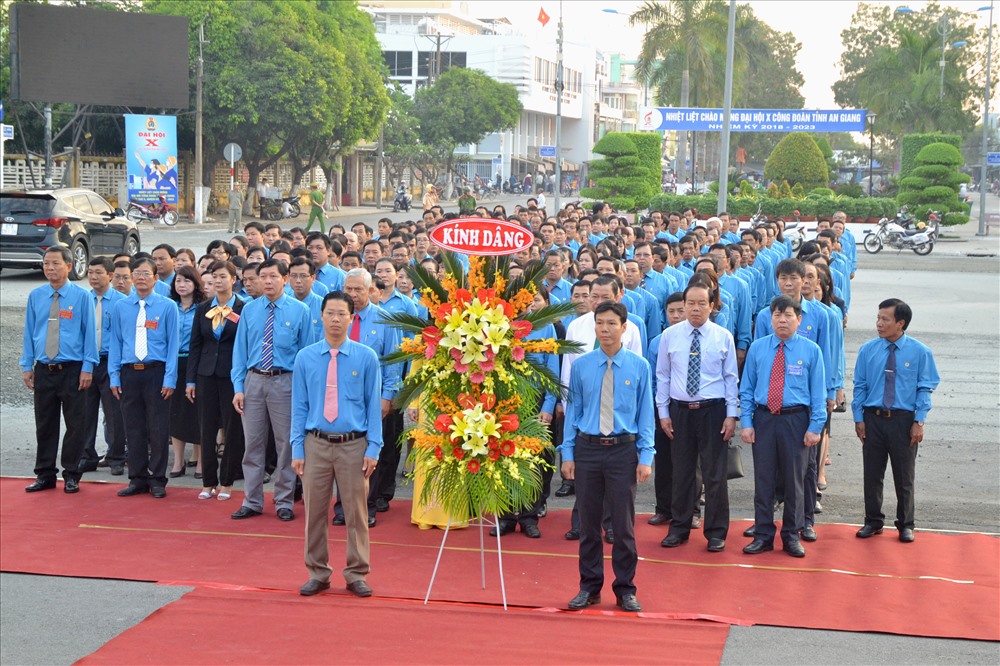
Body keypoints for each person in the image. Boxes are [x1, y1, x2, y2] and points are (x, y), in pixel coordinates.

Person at [561, 302, 654, 613]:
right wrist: (568, 452)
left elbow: (645, 415)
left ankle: (625, 589)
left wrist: (646, 455)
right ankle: (589, 587)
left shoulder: (639, 366)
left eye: (611, 323)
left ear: (624, 328)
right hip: (587, 450)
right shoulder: (582, 366)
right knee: (588, 526)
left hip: (623, 451)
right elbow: (573, 411)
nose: (604, 329)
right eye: (599, 323)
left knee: (623, 526)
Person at [292, 291, 382, 598]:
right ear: (321, 316)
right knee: (314, 511)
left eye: (341, 314)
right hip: (315, 443)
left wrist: (373, 448)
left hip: (353, 445)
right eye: (330, 313)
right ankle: (317, 572)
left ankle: (357, 573)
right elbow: (299, 407)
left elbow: (373, 407)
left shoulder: (365, 357)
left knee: (356, 513)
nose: (335, 320)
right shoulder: (305, 358)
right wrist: (296, 448)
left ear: (351, 317)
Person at [739, 296, 827, 558]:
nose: (782, 319)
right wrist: (746, 423)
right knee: (764, 480)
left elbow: (818, 394)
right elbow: (746, 389)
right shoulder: (758, 348)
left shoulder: (811, 350)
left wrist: (815, 426)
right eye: (777, 315)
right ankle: (763, 535)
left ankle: (791, 534)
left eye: (788, 315)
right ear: (770, 318)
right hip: (764, 418)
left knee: (794, 481)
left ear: (799, 320)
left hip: (796, 420)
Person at [655, 283, 739, 552]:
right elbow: (663, 376)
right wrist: (663, 413)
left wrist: (731, 415)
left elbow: (730, 379)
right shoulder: (670, 335)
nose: (695, 308)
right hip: (680, 411)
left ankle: (715, 532)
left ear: (712, 305)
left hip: (713, 411)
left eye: (702, 303)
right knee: (681, 472)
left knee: (715, 475)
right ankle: (678, 528)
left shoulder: (723, 336)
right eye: (690, 303)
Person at [231, 259, 314, 521]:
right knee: (252, 443)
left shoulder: (300, 311)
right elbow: (240, 353)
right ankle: (252, 500)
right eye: (262, 277)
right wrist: (238, 388)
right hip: (253, 381)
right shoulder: (249, 310)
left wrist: (304, 393)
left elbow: (307, 356)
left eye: (272, 277)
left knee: (286, 445)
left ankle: (284, 501)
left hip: (285, 382)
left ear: (285, 278)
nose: (267, 282)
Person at [853, 299, 939, 543]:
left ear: (900, 324)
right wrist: (859, 418)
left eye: (885, 319)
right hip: (873, 419)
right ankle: (873, 521)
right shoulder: (868, 350)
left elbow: (925, 388)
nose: (879, 324)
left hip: (903, 420)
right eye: (878, 318)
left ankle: (906, 524)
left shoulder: (920, 352)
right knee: (872, 474)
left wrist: (919, 421)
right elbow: (860, 386)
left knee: (904, 476)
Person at [20, 247, 99, 494]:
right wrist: (27, 365)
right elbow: (29, 331)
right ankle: (44, 474)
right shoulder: (36, 295)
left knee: (76, 424)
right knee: (45, 423)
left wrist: (88, 367)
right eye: (46, 263)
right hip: (44, 368)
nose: (50, 268)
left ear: (68, 265)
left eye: (55, 263)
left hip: (73, 369)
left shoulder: (82, 296)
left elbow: (89, 335)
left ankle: (72, 474)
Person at [109, 256, 180, 498]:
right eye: (136, 273)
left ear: (156, 278)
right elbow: (115, 343)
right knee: (134, 427)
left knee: (158, 428)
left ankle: (158, 479)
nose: (140, 278)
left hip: (156, 373)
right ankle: (137, 478)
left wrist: (170, 379)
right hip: (129, 373)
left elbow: (173, 346)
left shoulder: (167, 306)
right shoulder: (121, 307)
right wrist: (114, 377)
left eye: (145, 273)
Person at [186, 261, 246, 501]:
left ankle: (227, 481)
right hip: (206, 374)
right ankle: (208, 481)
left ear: (234, 279)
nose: (218, 281)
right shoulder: (203, 308)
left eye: (223, 277)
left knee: (232, 429)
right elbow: (195, 345)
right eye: (213, 277)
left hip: (232, 375)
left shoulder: (244, 308)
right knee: (206, 427)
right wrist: (190, 380)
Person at [79, 257, 127, 475]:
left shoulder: (121, 302)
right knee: (85, 413)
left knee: (114, 413)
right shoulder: (83, 299)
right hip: (88, 362)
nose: (93, 277)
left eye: (98, 272)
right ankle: (87, 455)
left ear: (110, 275)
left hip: (111, 362)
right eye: (90, 272)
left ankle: (116, 456)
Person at [168, 267, 205, 478]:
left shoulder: (202, 308)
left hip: (195, 364)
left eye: (187, 281)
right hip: (173, 364)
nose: (182, 285)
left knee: (196, 413)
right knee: (176, 413)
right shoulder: (169, 306)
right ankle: (178, 461)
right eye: (178, 281)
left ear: (196, 283)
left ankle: (200, 461)